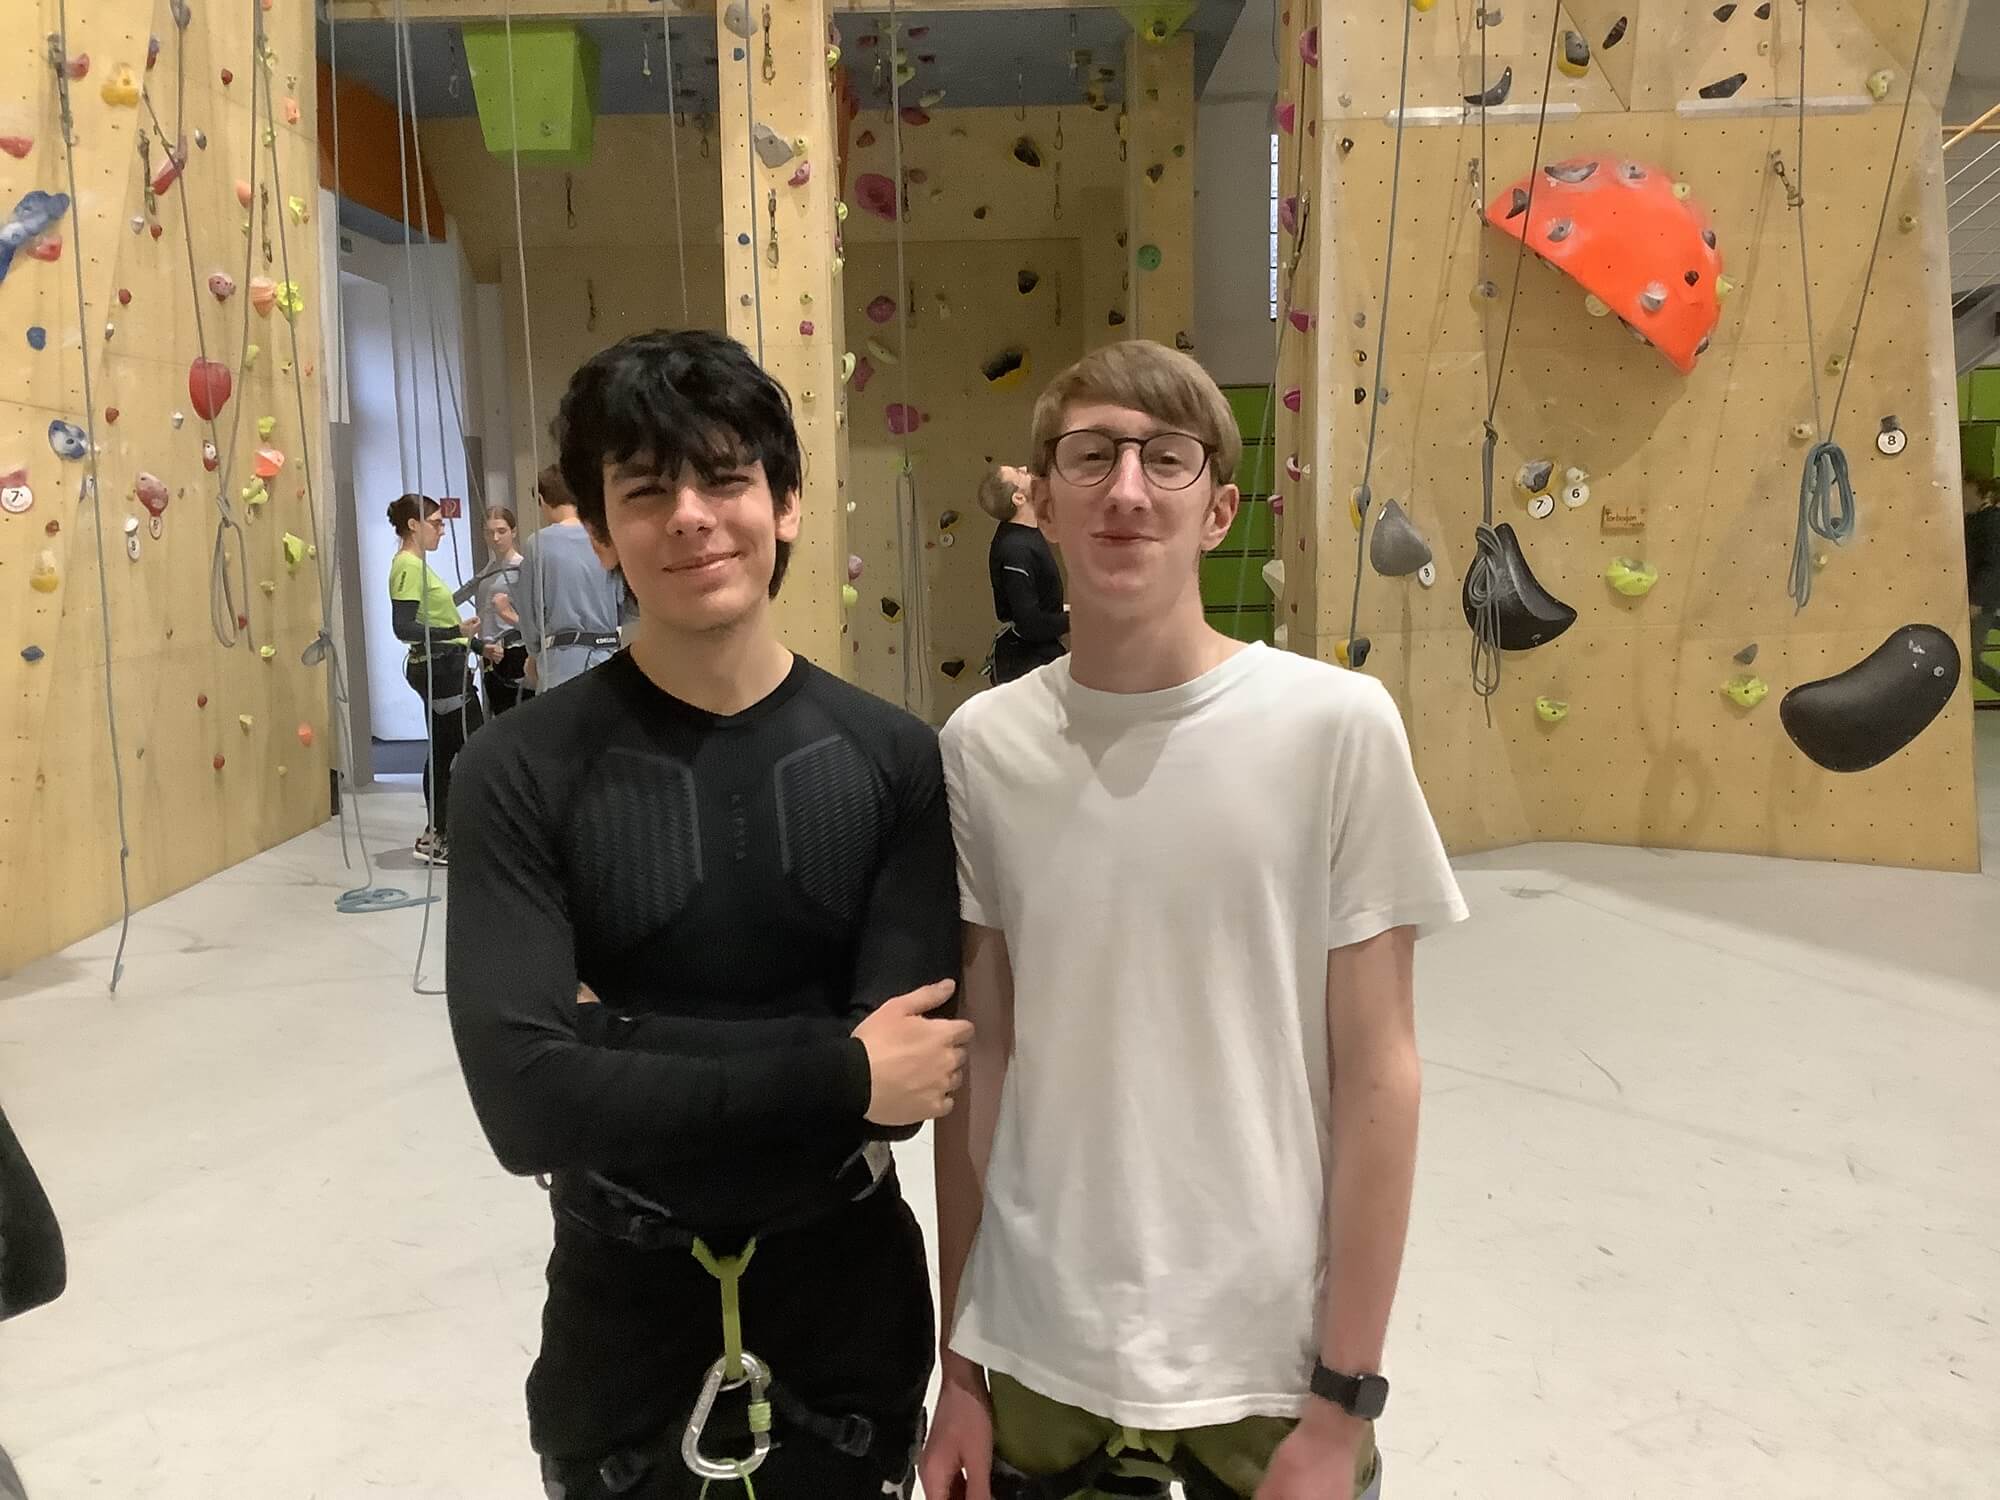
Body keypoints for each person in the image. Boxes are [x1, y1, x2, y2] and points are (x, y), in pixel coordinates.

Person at [921, 341, 1467, 1500]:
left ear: (1217, 508)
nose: (1126, 489)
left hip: (1264, 1375)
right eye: (1091, 458)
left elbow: (1380, 1073)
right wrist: (957, 1368)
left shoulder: (1334, 727)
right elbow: (983, 1065)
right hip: (1035, 1355)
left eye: (1165, 460)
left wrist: (1343, 1400)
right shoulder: (982, 747)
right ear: (1043, 500)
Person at [445, 328, 969, 1500]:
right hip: (621, 1326)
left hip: (845, 1321)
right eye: (646, 489)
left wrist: (610, 1040)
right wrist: (837, 1067)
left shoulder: (891, 763)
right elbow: (526, 1103)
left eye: (725, 477)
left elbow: (910, 1097)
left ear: (785, 504)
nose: (689, 515)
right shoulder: (519, 772)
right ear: (597, 529)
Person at [387, 493, 484, 866]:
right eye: (437, 522)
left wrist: (475, 646)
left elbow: (435, 621)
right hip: (439, 671)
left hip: (447, 665)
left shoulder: (417, 566)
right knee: (471, 745)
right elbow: (404, 627)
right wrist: (455, 632)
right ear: (414, 525)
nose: (442, 530)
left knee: (446, 750)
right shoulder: (408, 567)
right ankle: (441, 834)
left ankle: (437, 834)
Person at [513, 464, 627, 694]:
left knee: (560, 725)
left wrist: (534, 654)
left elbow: (529, 610)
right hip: (607, 654)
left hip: (560, 659)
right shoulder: (606, 539)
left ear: (543, 500)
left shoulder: (538, 544)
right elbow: (625, 603)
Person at [977, 464, 1069, 684]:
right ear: (1018, 499)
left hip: (1038, 657)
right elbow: (1031, 624)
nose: (1025, 468)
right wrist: (1080, 621)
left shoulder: (1023, 537)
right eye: (1019, 473)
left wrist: (1067, 612)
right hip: (1027, 666)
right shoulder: (1015, 550)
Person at [476, 507, 533, 715]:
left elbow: (535, 619)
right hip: (489, 653)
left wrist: (508, 615)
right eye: (489, 532)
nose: (495, 537)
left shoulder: (522, 568)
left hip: (514, 652)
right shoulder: (487, 571)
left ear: (513, 532)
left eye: (501, 531)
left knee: (517, 718)